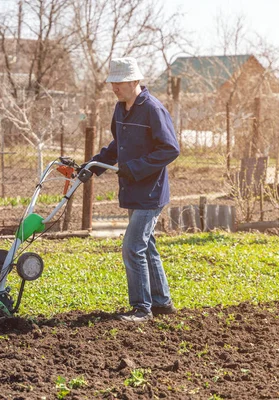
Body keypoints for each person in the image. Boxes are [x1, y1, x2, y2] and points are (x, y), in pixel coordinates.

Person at [88, 57, 180, 322]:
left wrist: (137, 167)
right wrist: (94, 166)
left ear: (134, 81)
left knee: (132, 246)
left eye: (118, 83)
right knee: (146, 245)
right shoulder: (120, 109)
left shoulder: (153, 109)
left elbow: (170, 149)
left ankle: (142, 309)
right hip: (133, 190)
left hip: (150, 191)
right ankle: (161, 302)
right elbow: (117, 146)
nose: (114, 87)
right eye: (112, 83)